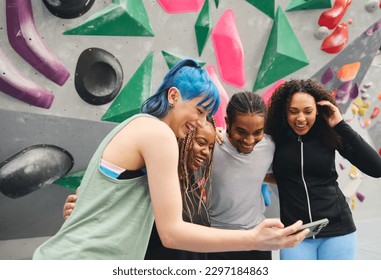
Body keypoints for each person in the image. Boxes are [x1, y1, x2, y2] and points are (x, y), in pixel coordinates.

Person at [32, 59, 307, 260]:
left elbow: (92, 193)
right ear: (173, 96)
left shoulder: (135, 125)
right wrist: (253, 239)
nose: (199, 122)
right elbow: (172, 233)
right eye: (198, 111)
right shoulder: (159, 135)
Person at [63, 117, 217, 260]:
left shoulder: (191, 184)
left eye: (210, 147)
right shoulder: (145, 183)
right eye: (201, 142)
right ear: (182, 139)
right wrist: (80, 212)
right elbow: (103, 216)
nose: (206, 152)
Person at [265, 79, 381, 260]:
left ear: (317, 110)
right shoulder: (274, 138)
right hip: (295, 234)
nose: (301, 118)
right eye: (293, 111)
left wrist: (340, 125)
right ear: (284, 111)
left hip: (338, 229)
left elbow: (376, 168)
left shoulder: (328, 134)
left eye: (308, 111)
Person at [207, 91, 276, 260]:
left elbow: (268, 175)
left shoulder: (269, 146)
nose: (249, 140)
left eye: (257, 132)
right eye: (241, 131)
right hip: (215, 237)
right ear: (227, 122)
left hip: (257, 237)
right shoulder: (210, 145)